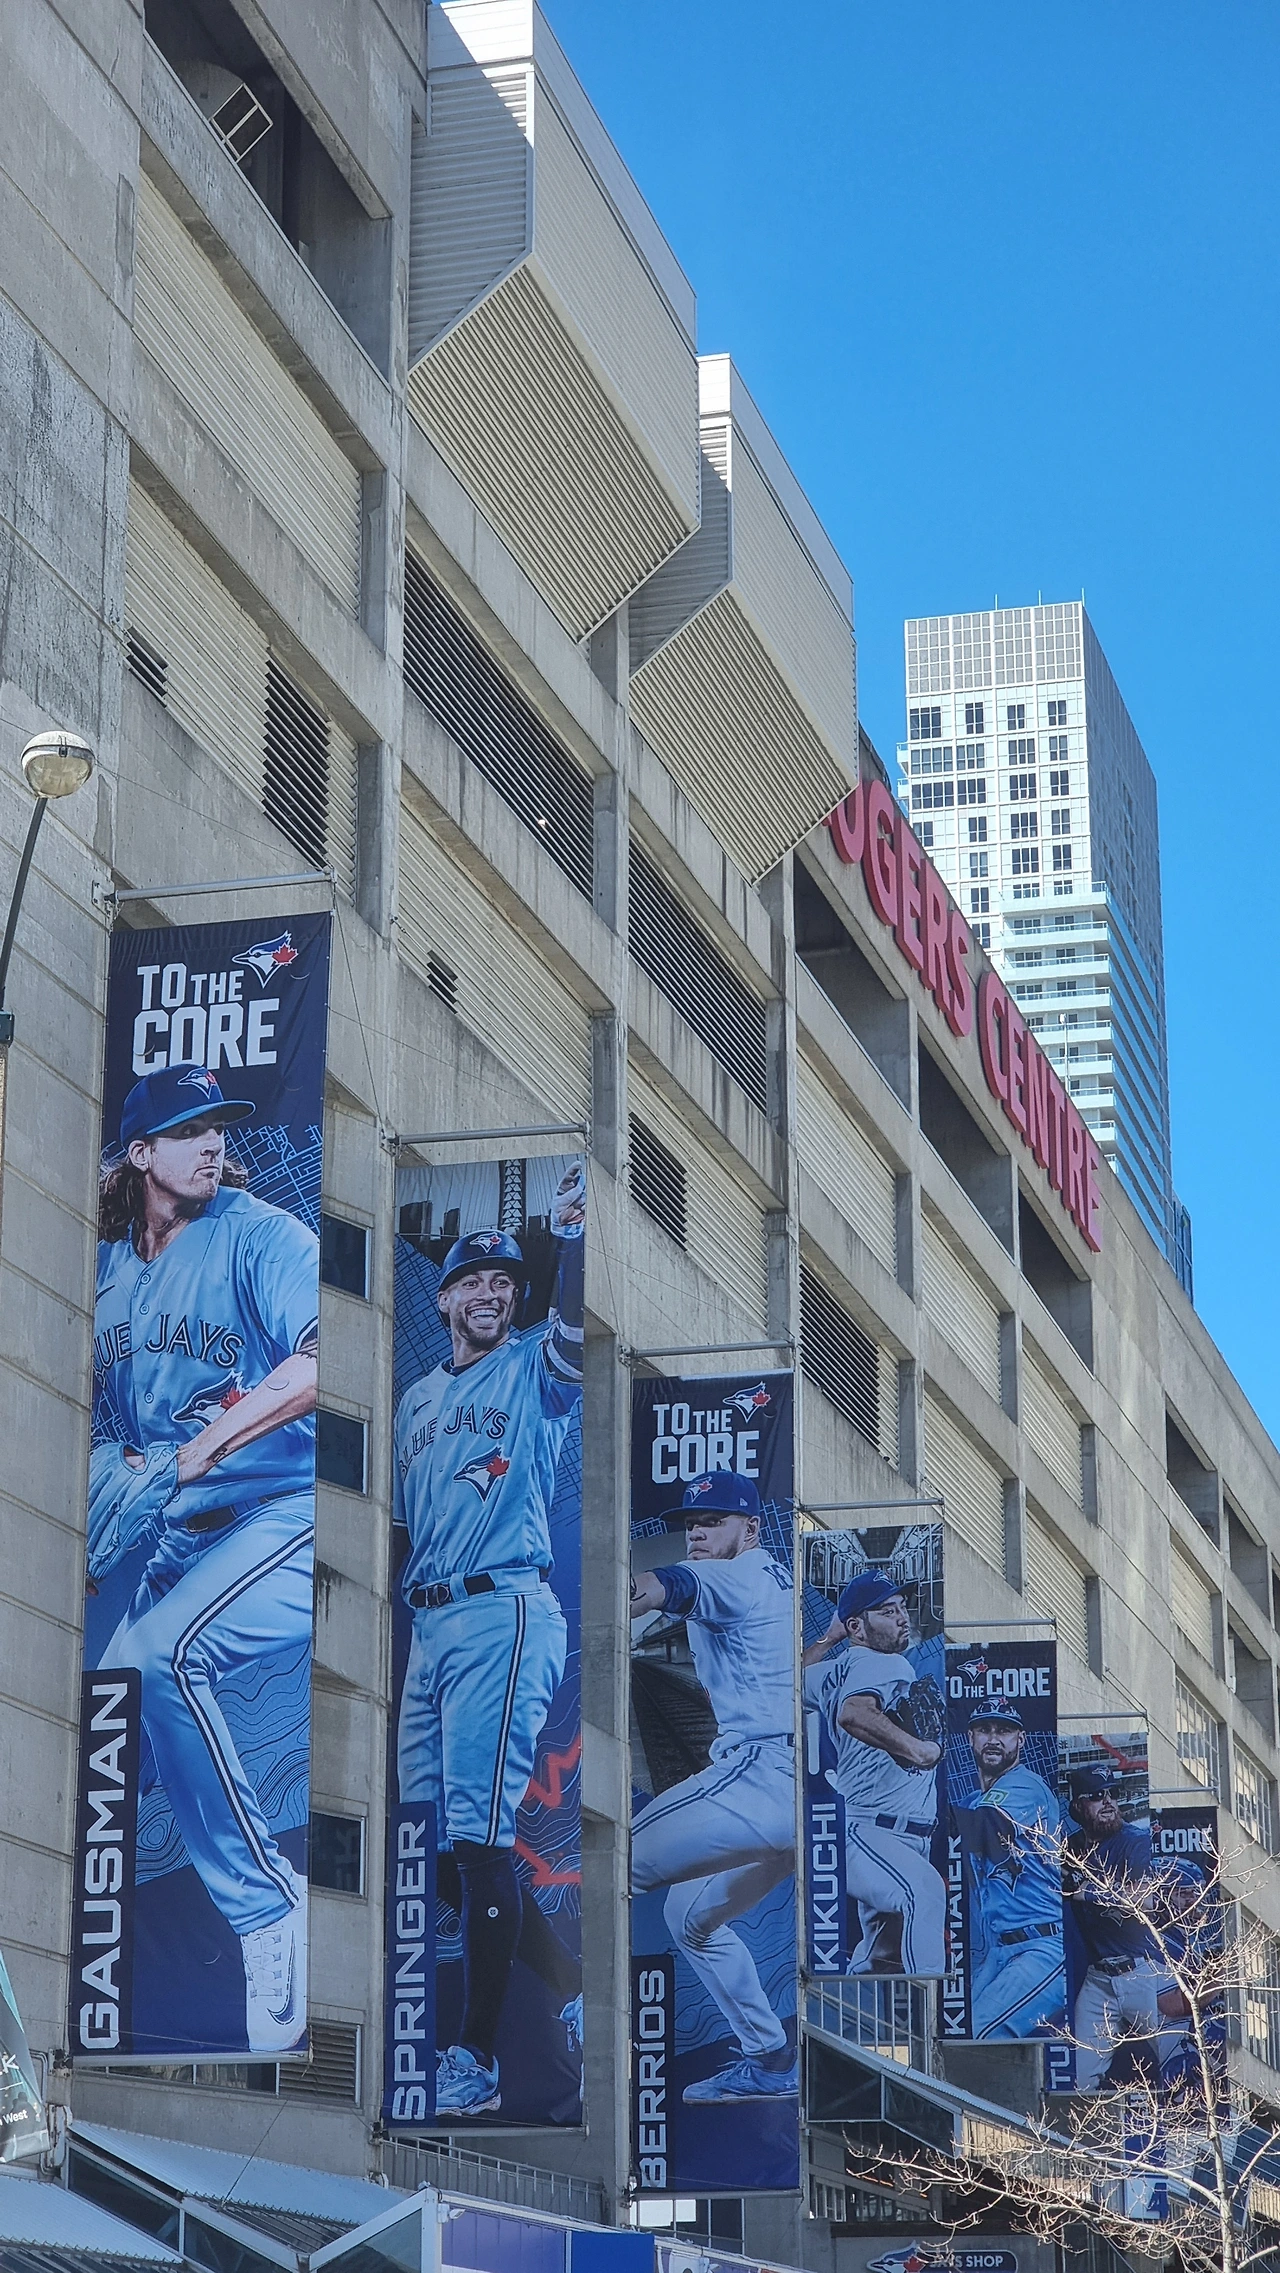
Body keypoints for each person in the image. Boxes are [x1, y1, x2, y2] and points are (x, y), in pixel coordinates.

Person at [88, 1063, 320, 2056]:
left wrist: (199, 1448)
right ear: (141, 1152)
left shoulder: (261, 1233)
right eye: (188, 1130)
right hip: (172, 1530)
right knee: (98, 1687)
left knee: (158, 1656)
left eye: (218, 1126)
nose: (212, 1143)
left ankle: (269, 1912)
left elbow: (319, 1358)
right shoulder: (105, 1267)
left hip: (284, 1511)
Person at [393, 1164, 585, 2117]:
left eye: (503, 1280)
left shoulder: (532, 1366)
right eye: (471, 1279)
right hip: (430, 1621)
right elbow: (403, 1523)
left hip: (503, 1607)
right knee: (422, 1836)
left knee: (475, 1837)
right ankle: (570, 1981)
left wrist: (572, 1241)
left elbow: (574, 1334)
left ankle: (476, 2056)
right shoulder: (415, 1400)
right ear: (443, 1299)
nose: (488, 1291)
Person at [630, 1473, 797, 2104]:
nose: (697, 1532)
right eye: (691, 1522)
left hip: (759, 1778)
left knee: (610, 1861)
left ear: (750, 1529)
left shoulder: (737, 1574)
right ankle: (771, 2058)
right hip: (796, 1798)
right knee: (689, 1918)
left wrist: (607, 1597)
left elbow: (663, 1585)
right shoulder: (773, 1576)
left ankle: (576, 2020)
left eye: (713, 1520)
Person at [803, 1572, 946, 1977]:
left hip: (882, 1835)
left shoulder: (835, 1669)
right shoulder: (882, 1662)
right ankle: (934, 2012)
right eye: (886, 1611)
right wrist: (918, 1750)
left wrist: (828, 1639)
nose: (901, 1617)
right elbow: (854, 1714)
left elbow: (781, 1685)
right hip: (873, 1833)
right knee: (924, 1894)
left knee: (880, 1960)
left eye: (901, 1607)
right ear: (857, 1627)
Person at [1066, 1770, 1185, 2091]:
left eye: (1112, 1794)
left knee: (1181, 2063)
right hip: (1099, 1979)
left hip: (1144, 1973)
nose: (1107, 1802)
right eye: (1096, 1796)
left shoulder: (1134, 1840)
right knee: (1079, 2078)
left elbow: (1144, 1899)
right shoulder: (1070, 1848)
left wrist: (1088, 1892)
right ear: (1077, 1806)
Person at [956, 1702, 1066, 2038]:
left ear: (1021, 1739)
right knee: (954, 2037)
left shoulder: (1025, 1785)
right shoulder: (974, 1801)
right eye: (984, 1730)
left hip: (1042, 1946)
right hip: (999, 1951)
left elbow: (986, 1828)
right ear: (971, 1737)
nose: (993, 1739)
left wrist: (930, 1812)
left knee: (980, 2034)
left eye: (1003, 1730)